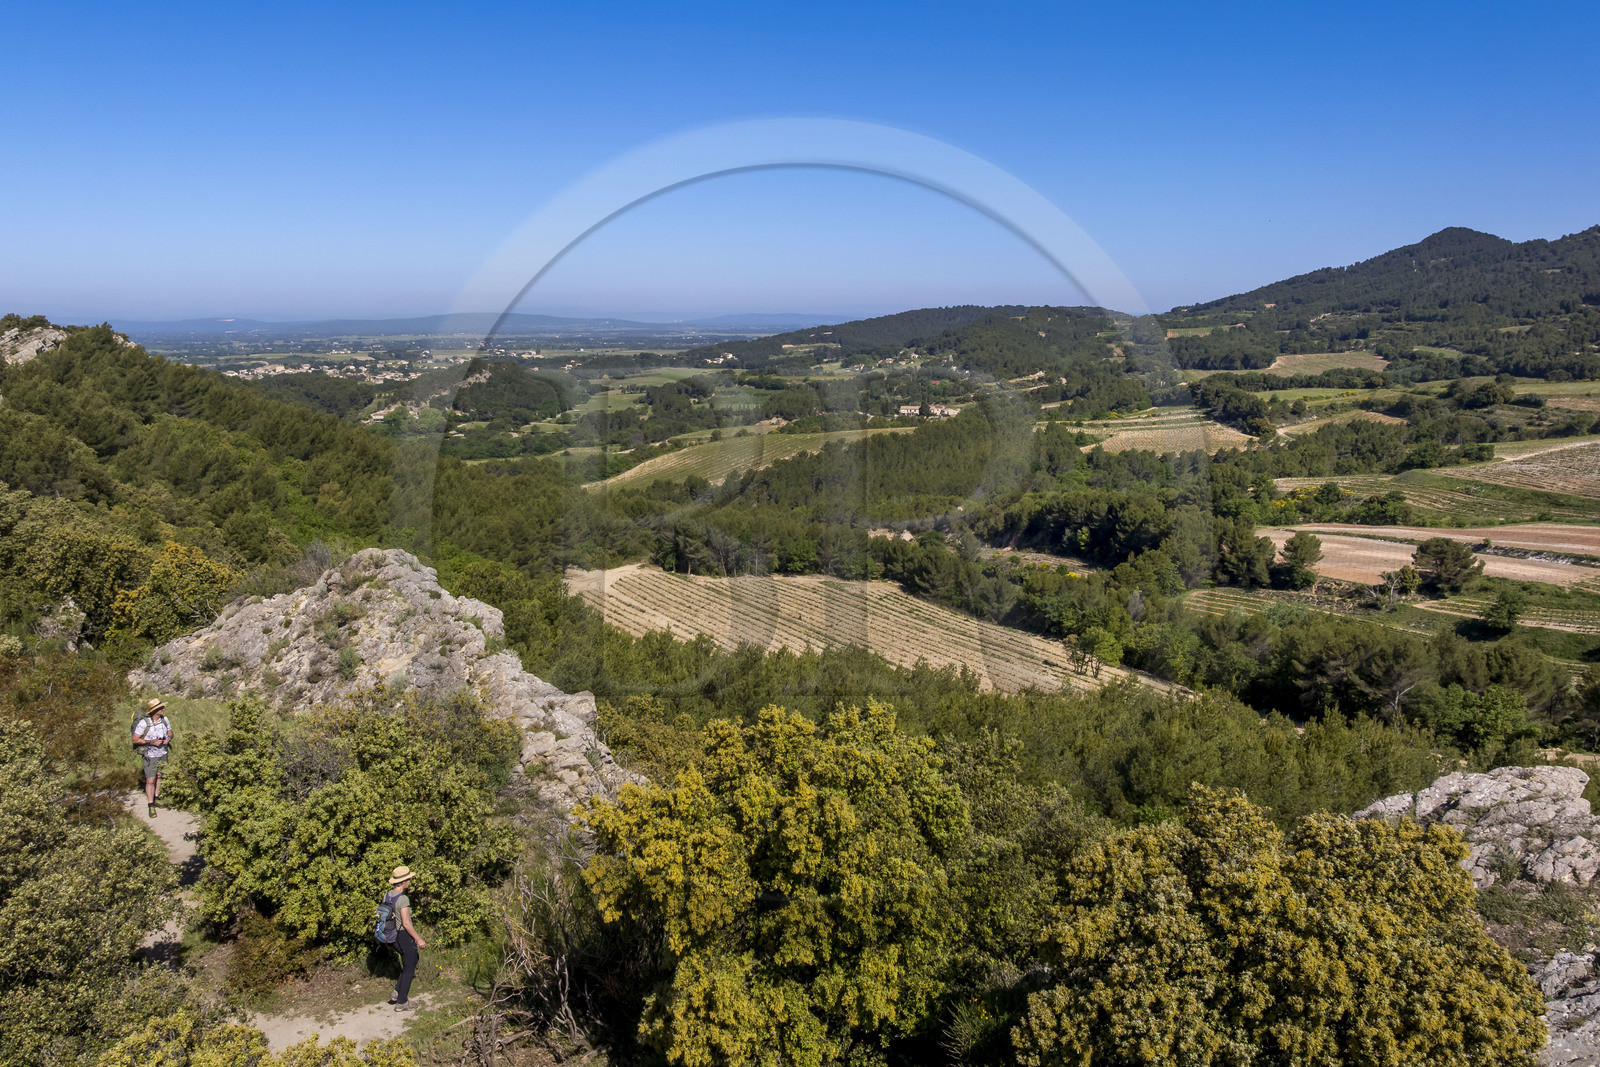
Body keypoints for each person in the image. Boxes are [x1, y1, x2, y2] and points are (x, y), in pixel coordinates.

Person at [384, 865, 427, 1010]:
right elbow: (406, 923)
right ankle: (402, 1002)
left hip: (391, 935)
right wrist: (419, 939)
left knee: (411, 961)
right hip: (402, 935)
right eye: (408, 879)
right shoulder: (403, 899)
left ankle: (397, 992)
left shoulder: (387, 895)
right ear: (403, 882)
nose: (410, 881)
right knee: (410, 966)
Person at [132, 698, 173, 818]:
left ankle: (157, 797)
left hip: (163, 752)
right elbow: (135, 739)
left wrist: (168, 739)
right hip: (149, 755)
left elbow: (171, 733)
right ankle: (151, 804)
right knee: (150, 779)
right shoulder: (144, 723)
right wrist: (151, 742)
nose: (163, 709)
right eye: (161, 708)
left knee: (159, 775)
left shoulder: (164, 720)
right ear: (155, 710)